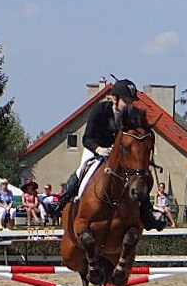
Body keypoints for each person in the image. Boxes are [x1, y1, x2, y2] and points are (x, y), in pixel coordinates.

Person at [49, 79, 164, 230]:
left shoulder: (131, 116)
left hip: (119, 155)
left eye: (131, 101)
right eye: (126, 101)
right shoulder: (100, 110)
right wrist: (99, 149)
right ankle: (61, 202)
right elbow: (86, 138)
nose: (129, 105)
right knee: (82, 170)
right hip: (95, 150)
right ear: (115, 98)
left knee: (142, 176)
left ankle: (146, 214)